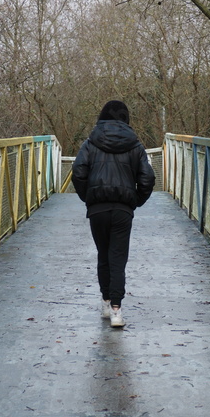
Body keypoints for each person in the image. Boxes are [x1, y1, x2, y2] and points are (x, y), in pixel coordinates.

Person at [72, 100, 155, 327]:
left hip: (97, 209)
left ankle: (106, 301)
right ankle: (117, 311)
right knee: (117, 258)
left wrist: (88, 197)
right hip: (122, 210)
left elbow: (78, 172)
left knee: (103, 254)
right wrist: (134, 201)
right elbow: (148, 178)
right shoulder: (135, 146)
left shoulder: (90, 143)